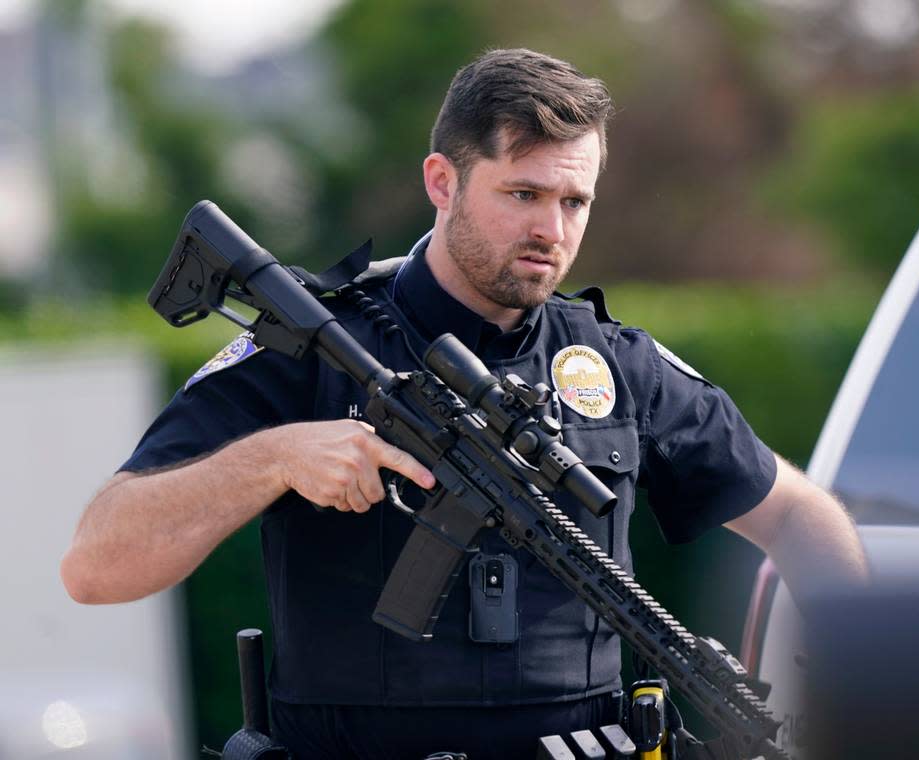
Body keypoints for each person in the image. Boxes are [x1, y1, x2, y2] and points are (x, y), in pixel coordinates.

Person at [61, 49, 868, 759]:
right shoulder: (306, 347)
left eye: (575, 201)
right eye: (523, 193)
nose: (552, 228)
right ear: (442, 181)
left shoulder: (618, 365)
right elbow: (97, 564)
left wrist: (865, 691)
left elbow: (799, 516)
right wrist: (274, 458)